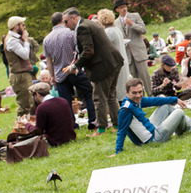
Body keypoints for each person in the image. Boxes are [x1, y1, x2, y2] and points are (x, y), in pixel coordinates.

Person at [62, 7, 124, 136]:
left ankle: (101, 129)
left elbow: (88, 50)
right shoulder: (89, 23)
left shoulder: (82, 28)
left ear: (73, 18)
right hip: (113, 62)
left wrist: (75, 67)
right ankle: (117, 125)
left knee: (99, 98)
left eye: (66, 22)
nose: (65, 25)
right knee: (111, 96)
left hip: (103, 66)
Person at [112, 78, 191, 155]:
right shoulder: (125, 110)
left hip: (151, 129)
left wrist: (175, 99)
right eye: (134, 93)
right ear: (127, 93)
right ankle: (184, 129)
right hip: (153, 139)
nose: (138, 95)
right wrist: (118, 150)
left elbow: (155, 100)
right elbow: (121, 131)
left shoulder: (136, 100)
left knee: (166, 106)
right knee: (179, 112)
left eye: (140, 92)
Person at [43, 12, 97, 130]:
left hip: (59, 73)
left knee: (66, 102)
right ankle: (92, 120)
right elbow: (78, 49)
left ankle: (72, 125)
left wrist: (52, 76)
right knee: (89, 93)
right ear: (62, 21)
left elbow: (48, 60)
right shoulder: (70, 33)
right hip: (74, 69)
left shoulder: (47, 39)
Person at [113, 0, 152, 96]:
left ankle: (151, 95)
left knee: (145, 76)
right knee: (134, 78)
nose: (124, 9)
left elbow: (143, 30)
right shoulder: (115, 22)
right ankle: (139, 98)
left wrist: (132, 24)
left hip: (138, 51)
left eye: (125, 7)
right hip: (127, 53)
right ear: (117, 10)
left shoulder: (135, 16)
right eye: (121, 8)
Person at [27, 82, 76, 146]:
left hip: (54, 141)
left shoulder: (42, 108)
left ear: (37, 94)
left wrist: (27, 124)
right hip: (70, 137)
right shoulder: (63, 101)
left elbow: (38, 132)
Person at [98, 8, 130, 104]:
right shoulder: (116, 29)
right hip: (122, 61)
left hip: (115, 64)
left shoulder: (108, 32)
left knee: (119, 91)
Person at [4, 16, 34, 117]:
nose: (24, 27)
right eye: (23, 25)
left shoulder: (15, 38)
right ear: (16, 26)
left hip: (22, 75)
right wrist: (25, 40)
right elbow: (25, 55)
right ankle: (21, 128)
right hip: (20, 76)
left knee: (28, 103)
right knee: (25, 105)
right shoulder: (11, 40)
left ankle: (26, 127)